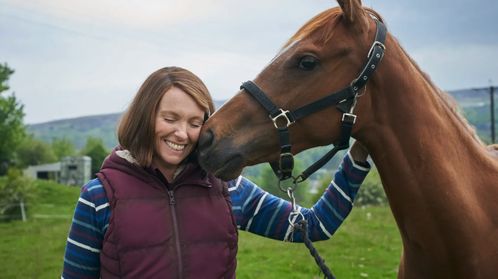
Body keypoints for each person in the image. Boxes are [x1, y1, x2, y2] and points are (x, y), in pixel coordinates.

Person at [62, 66, 370, 279]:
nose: (182, 134)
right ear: (145, 118)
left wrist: (356, 159)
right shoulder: (99, 197)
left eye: (195, 123)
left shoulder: (229, 189)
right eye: (170, 118)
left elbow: (315, 226)